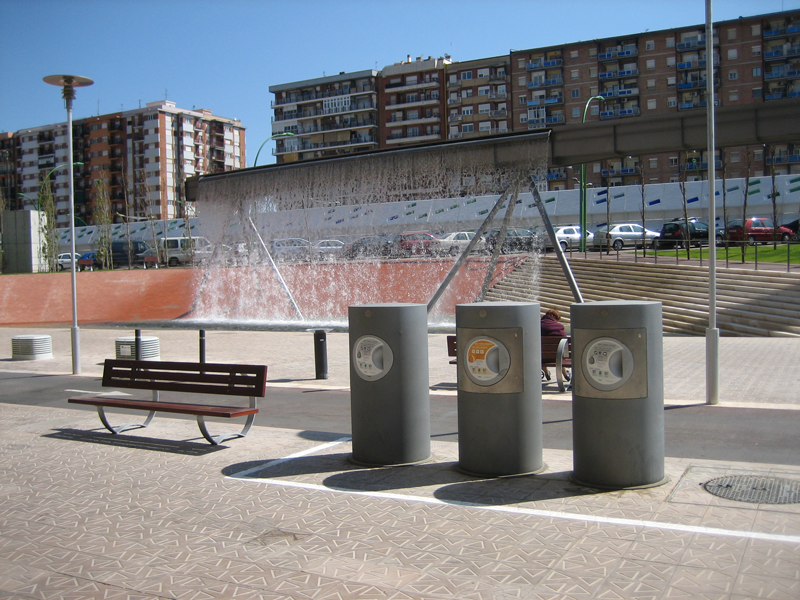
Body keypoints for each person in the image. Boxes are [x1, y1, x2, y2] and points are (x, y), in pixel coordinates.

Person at [541, 308, 570, 382]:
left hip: (541, 357)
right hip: (557, 357)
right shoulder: (559, 327)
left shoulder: (536, 326)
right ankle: (565, 374)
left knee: (541, 353)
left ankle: (547, 373)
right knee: (558, 354)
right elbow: (565, 341)